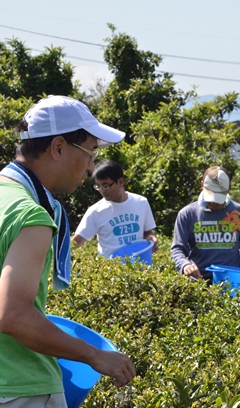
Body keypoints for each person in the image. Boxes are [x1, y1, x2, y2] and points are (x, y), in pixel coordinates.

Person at [0, 96, 135, 406]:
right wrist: (96, 356)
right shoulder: (30, 214)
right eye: (91, 153)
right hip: (23, 385)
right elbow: (13, 315)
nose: (91, 167)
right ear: (58, 147)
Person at [171, 166, 240, 281]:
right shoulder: (187, 214)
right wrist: (185, 265)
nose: (214, 203)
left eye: (217, 199)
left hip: (231, 282)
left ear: (229, 188)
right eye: (210, 198)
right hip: (197, 282)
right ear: (202, 185)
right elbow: (177, 248)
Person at [71, 160, 159, 258]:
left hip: (139, 268)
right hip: (112, 270)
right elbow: (76, 242)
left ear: (121, 182)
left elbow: (147, 233)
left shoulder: (141, 202)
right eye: (98, 186)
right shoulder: (95, 212)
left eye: (105, 185)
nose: (101, 190)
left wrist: (152, 238)